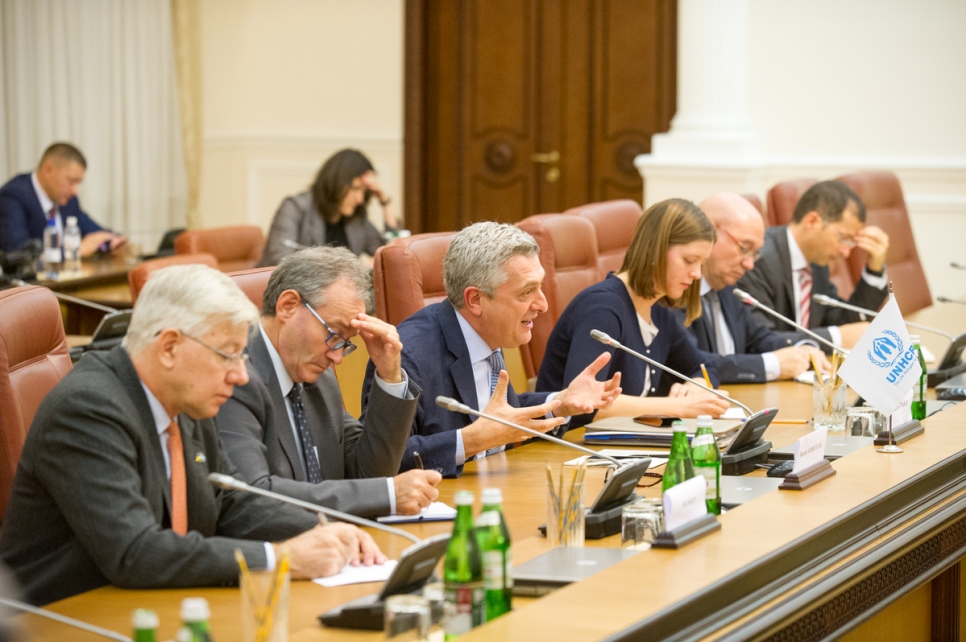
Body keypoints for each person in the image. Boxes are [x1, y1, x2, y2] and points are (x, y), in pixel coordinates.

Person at [0, 265, 384, 606]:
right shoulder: (88, 410)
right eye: (228, 355)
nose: (240, 376)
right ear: (169, 347)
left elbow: (231, 502)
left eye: (242, 356)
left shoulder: (185, 398)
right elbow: (136, 552)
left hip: (159, 602)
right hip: (70, 616)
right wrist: (281, 558)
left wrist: (324, 531)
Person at [362, 222, 622, 477]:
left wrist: (559, 403)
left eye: (540, 287)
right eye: (527, 292)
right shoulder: (407, 356)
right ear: (475, 300)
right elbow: (382, 462)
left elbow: (498, 417)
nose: (542, 305)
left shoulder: (488, 331)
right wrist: (470, 440)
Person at [216, 247, 441, 518]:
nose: (337, 358)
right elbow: (253, 495)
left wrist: (390, 376)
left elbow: (367, 474)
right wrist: (389, 494)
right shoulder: (235, 377)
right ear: (288, 306)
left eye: (345, 343)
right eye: (334, 334)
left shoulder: (319, 379)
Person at [537, 199, 732, 427]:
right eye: (689, 260)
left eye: (702, 263)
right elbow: (585, 406)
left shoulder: (658, 309)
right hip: (564, 451)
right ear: (655, 250)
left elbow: (703, 367)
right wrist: (680, 407)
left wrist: (695, 387)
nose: (697, 273)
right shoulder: (602, 308)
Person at [681, 193, 830, 383]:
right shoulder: (677, 289)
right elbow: (691, 363)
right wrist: (771, 365)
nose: (749, 264)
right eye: (744, 248)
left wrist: (802, 348)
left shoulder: (727, 287)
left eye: (755, 254)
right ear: (708, 231)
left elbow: (757, 338)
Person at [736, 180, 889, 350]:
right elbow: (760, 340)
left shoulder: (816, 264)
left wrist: (874, 270)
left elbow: (844, 323)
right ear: (813, 221)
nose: (846, 253)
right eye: (843, 238)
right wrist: (835, 338)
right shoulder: (759, 261)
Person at [258, 149, 394, 268]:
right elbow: (280, 262)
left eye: (364, 191)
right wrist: (353, 268)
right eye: (356, 188)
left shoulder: (355, 218)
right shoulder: (295, 207)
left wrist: (385, 202)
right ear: (336, 182)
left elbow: (391, 253)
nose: (360, 199)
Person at [0, 142, 126, 255]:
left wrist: (114, 239)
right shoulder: (12, 196)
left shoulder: (68, 200)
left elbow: (93, 231)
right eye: (72, 181)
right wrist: (76, 250)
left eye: (78, 183)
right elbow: (16, 253)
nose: (75, 191)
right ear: (48, 170)